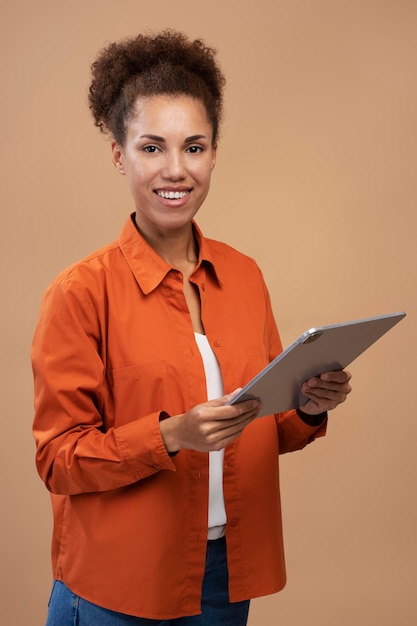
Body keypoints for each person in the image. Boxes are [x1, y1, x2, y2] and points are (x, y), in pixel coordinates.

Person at [31, 30, 352, 626]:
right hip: (116, 587)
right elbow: (58, 459)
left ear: (213, 152)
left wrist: (307, 406)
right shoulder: (79, 293)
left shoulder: (245, 276)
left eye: (194, 147)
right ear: (119, 154)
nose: (176, 170)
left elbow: (268, 430)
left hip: (224, 580)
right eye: (152, 148)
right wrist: (171, 435)